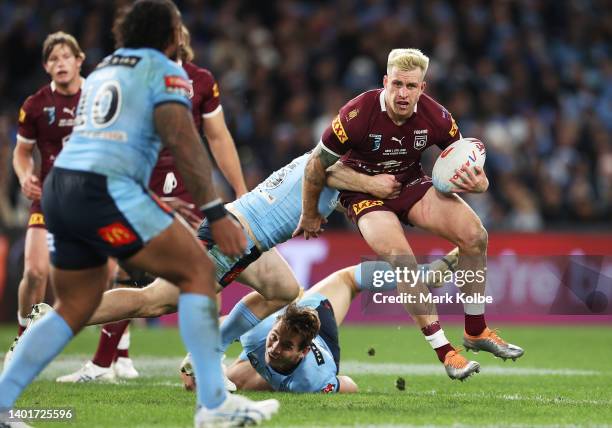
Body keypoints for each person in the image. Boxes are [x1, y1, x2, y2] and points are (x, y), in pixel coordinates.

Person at [0, 1, 279, 427]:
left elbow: (104, 139)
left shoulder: (104, 69)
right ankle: (213, 405)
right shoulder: (167, 71)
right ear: (169, 34)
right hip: (105, 192)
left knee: (74, 304)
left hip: (63, 190)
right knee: (199, 275)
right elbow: (183, 140)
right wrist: (216, 212)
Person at [294, 48, 524, 378]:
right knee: (404, 262)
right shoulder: (357, 114)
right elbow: (319, 164)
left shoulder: (437, 117)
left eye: (411, 86)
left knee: (475, 236)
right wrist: (312, 212)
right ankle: (446, 353)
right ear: (385, 82)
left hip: (411, 183)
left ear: (422, 88)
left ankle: (476, 330)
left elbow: (463, 162)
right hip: (362, 194)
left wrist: (480, 182)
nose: (403, 93)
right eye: (397, 84)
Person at [57, 24, 249, 384]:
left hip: (186, 195)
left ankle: (203, 362)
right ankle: (104, 361)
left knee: (204, 275)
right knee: (129, 273)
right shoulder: (134, 78)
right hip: (141, 187)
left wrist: (240, 189)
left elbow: (218, 136)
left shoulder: (201, 81)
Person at [181, 260, 455, 393]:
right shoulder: (259, 333)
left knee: (349, 279)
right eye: (276, 338)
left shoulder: (313, 380)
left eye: (286, 346)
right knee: (210, 384)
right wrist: (195, 360)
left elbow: (351, 386)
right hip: (301, 312)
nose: (275, 348)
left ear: (302, 352)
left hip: (322, 327)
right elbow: (221, 325)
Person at [8, 31, 84, 353]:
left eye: (66, 56)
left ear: (80, 60)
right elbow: (21, 152)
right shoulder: (35, 105)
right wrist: (25, 175)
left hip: (91, 198)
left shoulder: (99, 98)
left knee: (112, 274)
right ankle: (24, 334)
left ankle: (114, 355)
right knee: (35, 272)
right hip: (50, 196)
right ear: (46, 66)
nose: (60, 63)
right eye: (54, 58)